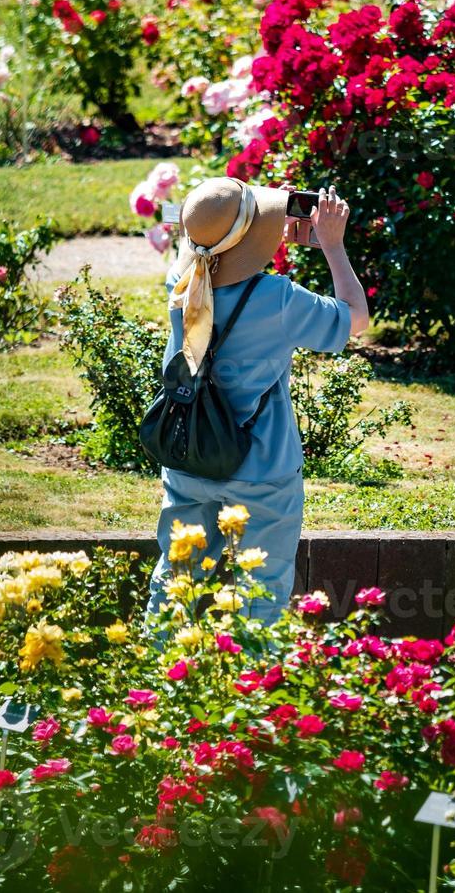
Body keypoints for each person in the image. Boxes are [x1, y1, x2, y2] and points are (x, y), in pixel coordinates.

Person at [145, 177, 369, 622]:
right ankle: (253, 685)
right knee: (261, 592)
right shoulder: (280, 299)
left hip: (188, 457)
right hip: (263, 470)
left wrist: (252, 226)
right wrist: (331, 246)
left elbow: (212, 252)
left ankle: (159, 680)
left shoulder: (181, 280)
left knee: (177, 581)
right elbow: (355, 318)